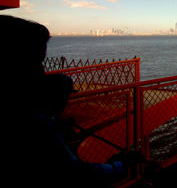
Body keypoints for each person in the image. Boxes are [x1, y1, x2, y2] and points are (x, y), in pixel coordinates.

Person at [0, 15, 139, 187]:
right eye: (36, 63)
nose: (42, 72)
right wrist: (120, 165)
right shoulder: (32, 122)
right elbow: (75, 175)